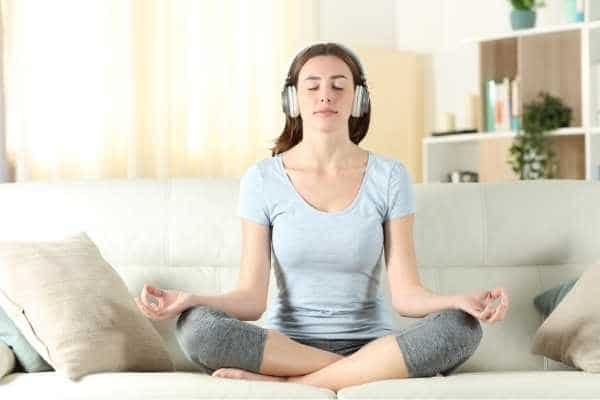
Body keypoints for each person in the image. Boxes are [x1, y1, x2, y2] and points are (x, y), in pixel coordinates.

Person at [134, 42, 509, 392]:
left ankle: (291, 384)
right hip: (288, 345)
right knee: (198, 328)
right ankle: (359, 372)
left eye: (338, 86)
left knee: (461, 329)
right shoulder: (263, 178)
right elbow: (251, 299)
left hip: (372, 341)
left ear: (358, 99)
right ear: (293, 100)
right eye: (312, 86)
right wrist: (189, 299)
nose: (325, 95)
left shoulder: (390, 176)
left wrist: (459, 301)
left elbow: (407, 296)